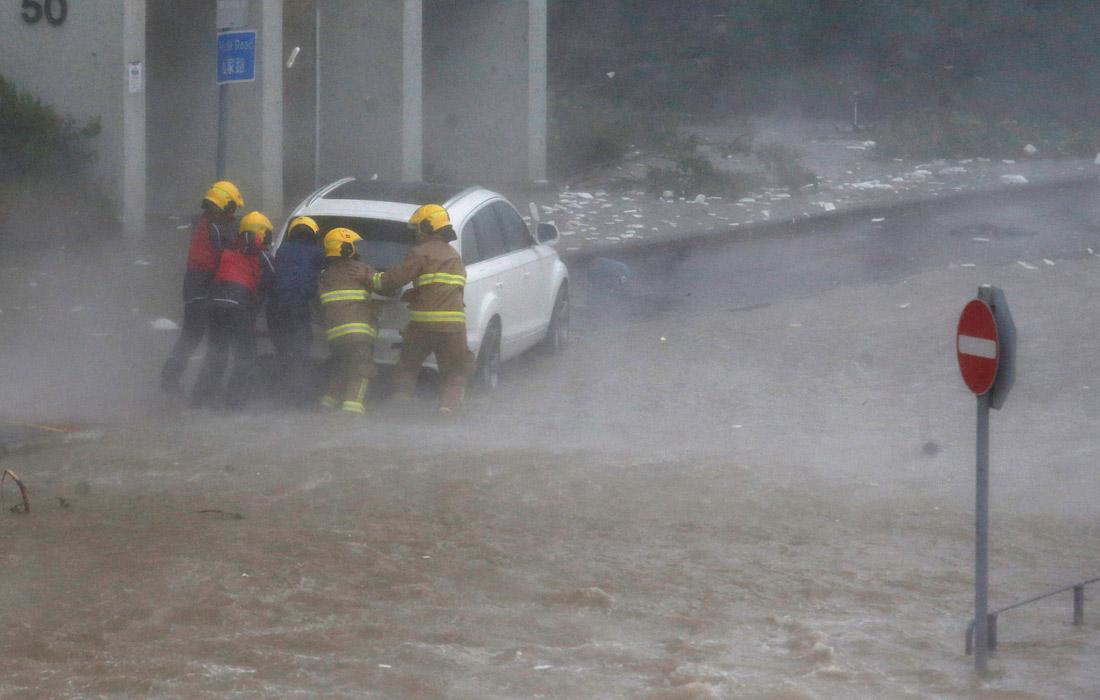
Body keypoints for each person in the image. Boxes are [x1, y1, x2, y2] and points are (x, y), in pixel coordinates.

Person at [370, 204, 475, 412]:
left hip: (423, 325)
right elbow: (448, 290)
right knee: (453, 371)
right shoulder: (454, 256)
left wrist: (371, 280)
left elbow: (393, 280)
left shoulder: (421, 252)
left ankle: (403, 402)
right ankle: (450, 409)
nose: (416, 234)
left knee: (407, 365)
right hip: (454, 327)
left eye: (418, 228)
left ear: (427, 228)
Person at [160, 181, 243, 394]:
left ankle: (170, 380)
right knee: (201, 336)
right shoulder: (214, 228)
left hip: (195, 285)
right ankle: (175, 382)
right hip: (202, 285)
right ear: (224, 206)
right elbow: (226, 252)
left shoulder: (205, 223)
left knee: (191, 335)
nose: (233, 215)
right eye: (232, 209)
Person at [190, 211, 275, 410]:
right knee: (245, 355)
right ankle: (233, 404)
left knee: (216, 352)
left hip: (214, 304)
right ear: (263, 234)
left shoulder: (227, 251)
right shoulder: (263, 256)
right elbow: (272, 282)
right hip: (239, 305)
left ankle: (200, 399)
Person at [316, 227, 379, 415]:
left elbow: (318, 306)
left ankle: (325, 407)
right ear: (346, 248)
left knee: (342, 369)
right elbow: (388, 288)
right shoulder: (361, 270)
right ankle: (351, 412)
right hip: (358, 334)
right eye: (354, 246)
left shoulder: (325, 275)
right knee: (361, 371)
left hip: (335, 335)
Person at [266, 216, 325, 406]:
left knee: (283, 350)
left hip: (275, 308)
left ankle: (280, 393)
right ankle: (300, 398)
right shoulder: (317, 253)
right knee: (301, 351)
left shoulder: (282, 250)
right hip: (297, 307)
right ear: (313, 233)